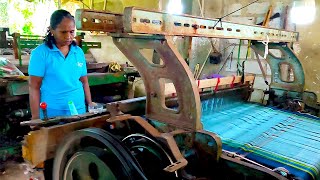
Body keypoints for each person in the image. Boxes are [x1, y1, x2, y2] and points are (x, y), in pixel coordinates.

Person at [28, 9, 95, 119]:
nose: (68, 36)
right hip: (52, 113)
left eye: (72, 32)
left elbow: (84, 81)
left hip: (79, 110)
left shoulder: (78, 52)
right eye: (63, 32)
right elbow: (34, 87)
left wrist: (90, 103)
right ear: (52, 30)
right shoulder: (40, 53)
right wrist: (35, 117)